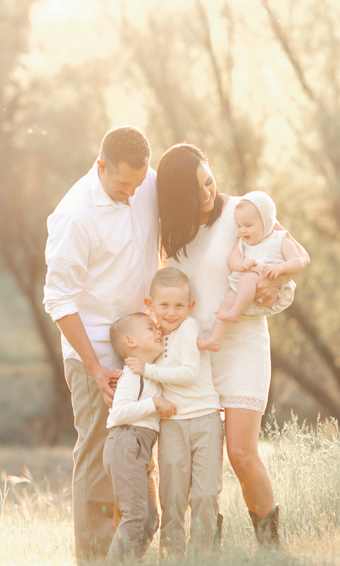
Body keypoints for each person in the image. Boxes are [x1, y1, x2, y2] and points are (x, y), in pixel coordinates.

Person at [156, 143, 310, 547]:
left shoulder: (245, 211)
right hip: (194, 354)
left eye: (209, 181)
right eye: (196, 190)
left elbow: (289, 271)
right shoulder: (170, 232)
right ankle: (210, 545)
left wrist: (268, 288)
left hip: (241, 346)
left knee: (241, 453)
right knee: (198, 462)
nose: (208, 193)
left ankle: (271, 548)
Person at [43, 126, 159, 564]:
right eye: (120, 185)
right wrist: (94, 366)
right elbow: (58, 298)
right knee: (97, 454)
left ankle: (129, 554)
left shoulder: (145, 180)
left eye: (138, 183)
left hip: (141, 345)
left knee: (138, 448)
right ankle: (92, 559)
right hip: (92, 352)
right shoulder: (75, 216)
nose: (131, 194)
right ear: (100, 167)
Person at [125, 267, 224, 559]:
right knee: (173, 495)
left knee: (205, 493)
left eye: (179, 305)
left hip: (205, 419)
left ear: (190, 307)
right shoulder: (153, 339)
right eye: (164, 305)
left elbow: (189, 373)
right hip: (171, 425)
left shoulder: (188, 328)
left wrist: (148, 369)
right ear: (150, 305)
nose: (171, 312)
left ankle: (203, 556)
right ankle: (172, 557)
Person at [103, 312, 175, 565]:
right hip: (126, 442)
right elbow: (119, 413)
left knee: (150, 519)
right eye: (150, 328)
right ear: (130, 341)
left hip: (142, 448)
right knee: (135, 514)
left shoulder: (151, 374)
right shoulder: (132, 376)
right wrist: (153, 403)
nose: (158, 331)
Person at [197, 191, 306, 352]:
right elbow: (232, 258)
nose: (242, 231)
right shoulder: (242, 243)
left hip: (270, 289)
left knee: (248, 278)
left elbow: (298, 261)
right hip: (241, 289)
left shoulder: (280, 239)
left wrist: (280, 268)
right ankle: (215, 340)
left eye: (248, 225)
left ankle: (235, 312)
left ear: (266, 222)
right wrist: (240, 264)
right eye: (239, 226)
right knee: (224, 306)